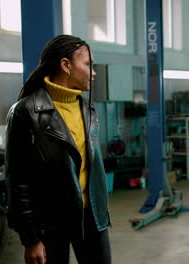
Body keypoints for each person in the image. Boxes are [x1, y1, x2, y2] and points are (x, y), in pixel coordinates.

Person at [6, 35, 111, 264]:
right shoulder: (26, 112)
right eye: (88, 64)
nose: (94, 72)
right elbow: (17, 179)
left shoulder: (88, 109)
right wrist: (31, 238)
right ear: (65, 65)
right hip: (50, 223)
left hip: (92, 217)